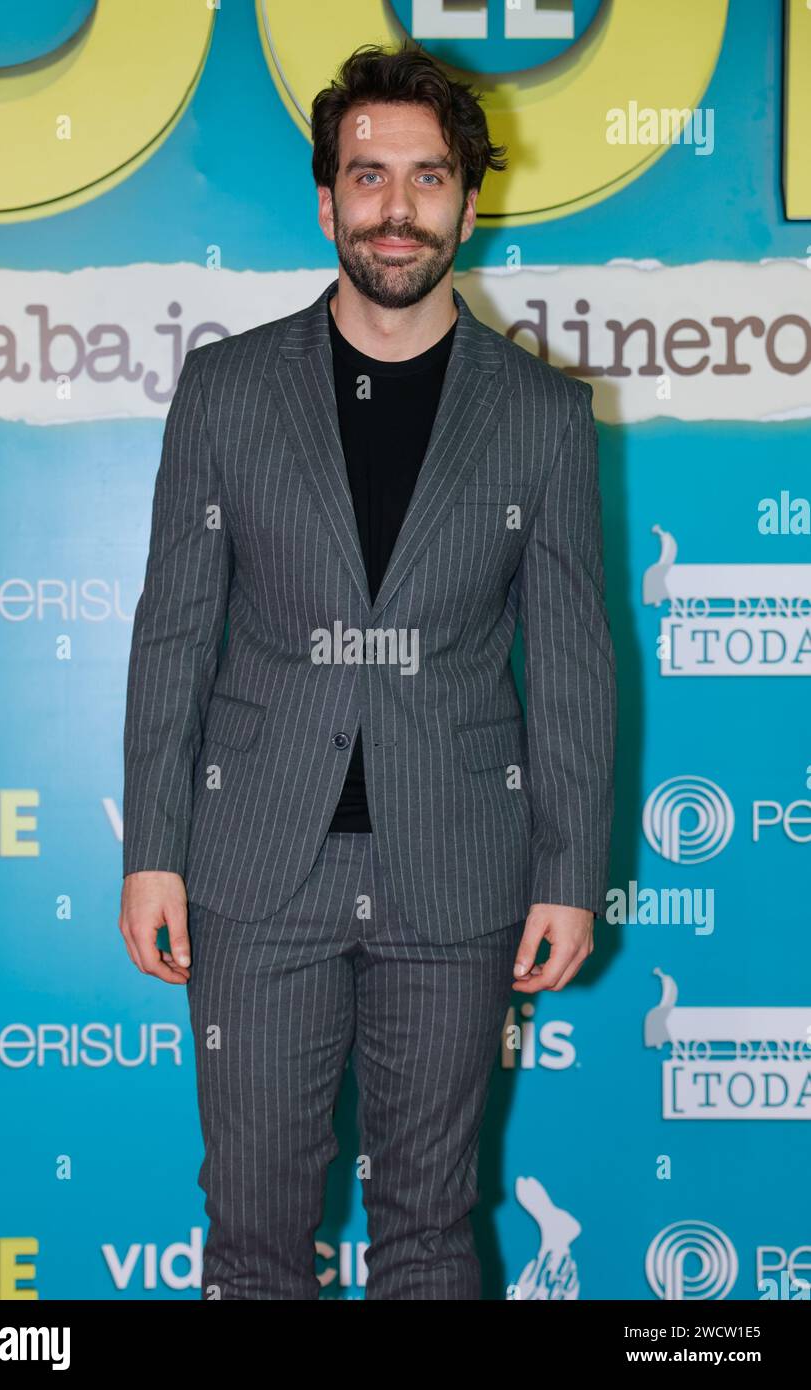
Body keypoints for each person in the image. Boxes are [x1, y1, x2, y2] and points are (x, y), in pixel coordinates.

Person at [119, 41, 616, 1301]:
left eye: (427, 178)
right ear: (327, 200)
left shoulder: (544, 416)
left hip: (455, 869)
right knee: (251, 1231)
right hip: (254, 867)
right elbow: (173, 631)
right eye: (369, 177)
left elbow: (567, 658)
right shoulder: (226, 392)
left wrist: (566, 871)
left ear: (466, 199)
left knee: (429, 1229)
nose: (397, 208)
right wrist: (152, 848)